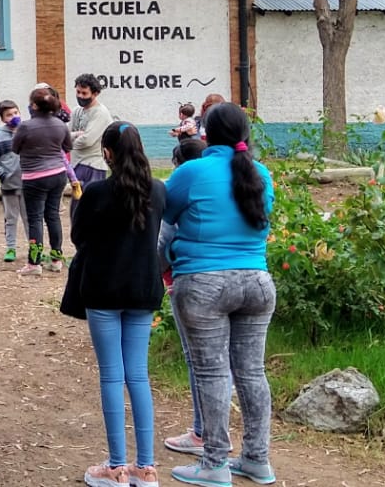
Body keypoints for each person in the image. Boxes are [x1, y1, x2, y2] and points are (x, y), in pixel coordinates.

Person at [165, 102, 277, 487]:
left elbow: (166, 214)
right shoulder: (261, 173)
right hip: (258, 282)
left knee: (212, 372)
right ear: (245, 135)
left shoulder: (192, 171)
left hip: (203, 283)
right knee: (252, 373)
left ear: (205, 135)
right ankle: (257, 459)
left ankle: (214, 462)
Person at [72, 122, 166, 487]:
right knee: (138, 375)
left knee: (111, 375)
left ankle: (116, 468)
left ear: (107, 154)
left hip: (103, 291)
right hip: (143, 290)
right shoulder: (158, 191)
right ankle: (147, 468)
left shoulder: (96, 193)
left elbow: (79, 238)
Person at [158, 138, 210, 458]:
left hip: (189, 278)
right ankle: (251, 449)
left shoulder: (179, 185)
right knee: (235, 364)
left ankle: (203, 433)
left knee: (198, 360)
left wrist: (155, 270)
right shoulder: (243, 177)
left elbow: (165, 237)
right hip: (246, 275)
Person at [12, 86, 74, 276]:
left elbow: (15, 148)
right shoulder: (60, 125)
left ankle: (34, 263)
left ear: (34, 106)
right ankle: (56, 259)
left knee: (35, 219)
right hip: (58, 174)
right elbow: (68, 146)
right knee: (53, 216)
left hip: (34, 177)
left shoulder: (25, 126)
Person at [0, 100, 27, 263]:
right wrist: (3, 174)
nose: (13, 117)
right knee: (11, 218)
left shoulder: (27, 133)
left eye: (16, 113)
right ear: (3, 119)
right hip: (9, 185)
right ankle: (10, 247)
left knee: (30, 218)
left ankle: (34, 247)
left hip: (27, 184)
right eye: (9, 115)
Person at [70, 74, 113, 219]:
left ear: (95, 93)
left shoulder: (100, 113)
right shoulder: (77, 111)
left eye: (84, 93)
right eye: (78, 92)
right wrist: (75, 135)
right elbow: (66, 134)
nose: (80, 96)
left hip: (93, 164)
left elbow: (87, 140)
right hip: (76, 164)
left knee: (90, 208)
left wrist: (70, 140)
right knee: (76, 208)